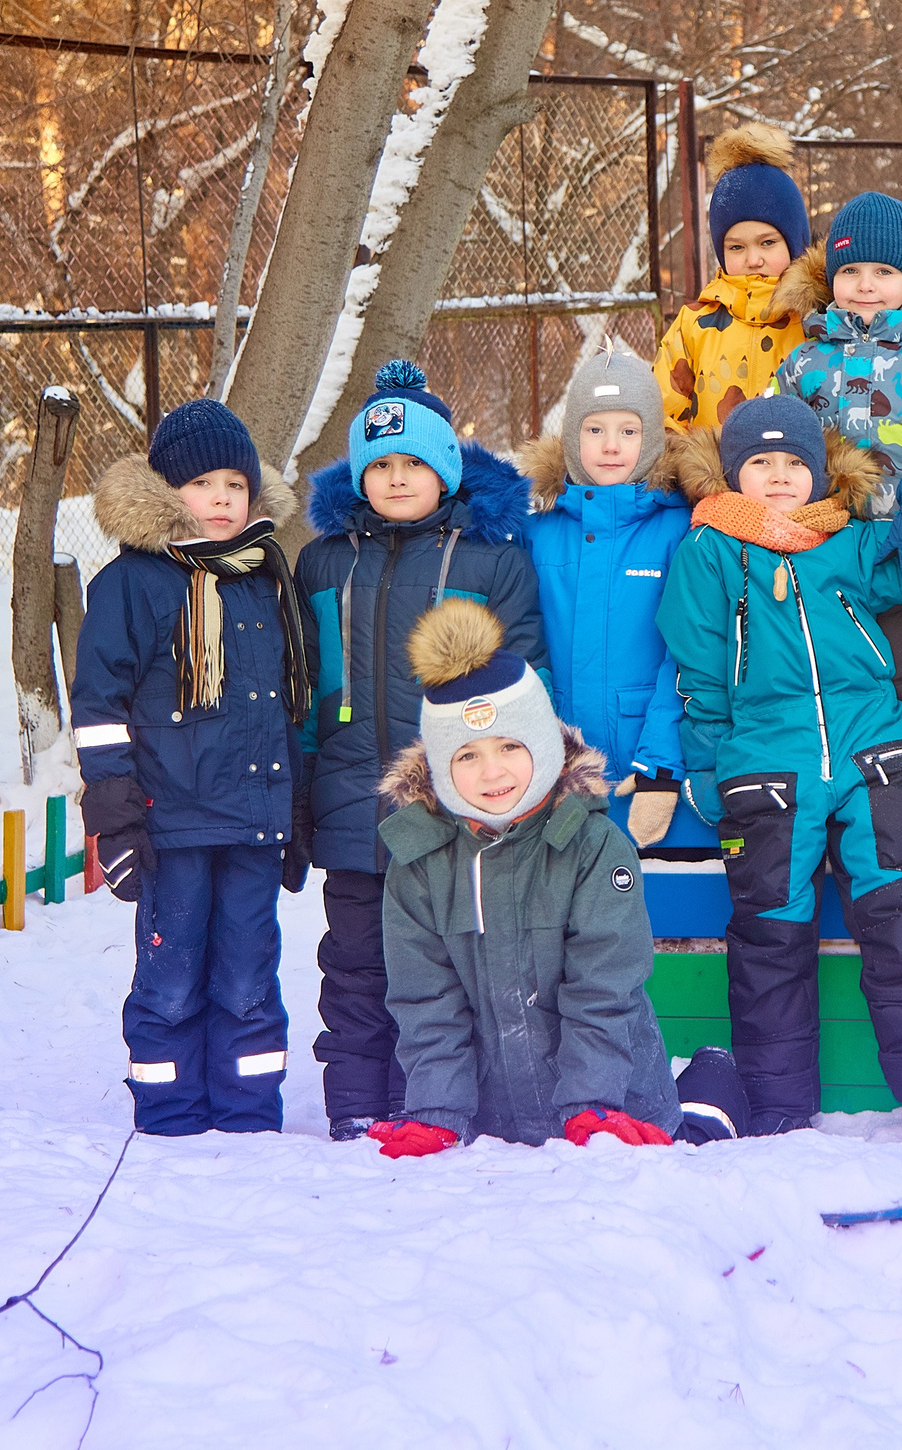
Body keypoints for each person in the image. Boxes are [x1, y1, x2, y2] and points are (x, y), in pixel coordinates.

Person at [655, 388, 902, 1153]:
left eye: (792, 462)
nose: (777, 476)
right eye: (758, 463)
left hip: (876, 757)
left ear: (818, 471)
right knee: (768, 937)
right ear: (734, 472)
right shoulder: (706, 552)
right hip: (768, 767)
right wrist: (706, 765)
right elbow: (697, 670)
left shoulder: (853, 542)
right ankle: (777, 1102)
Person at [363, 601, 749, 1157]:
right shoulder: (420, 861)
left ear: (542, 746)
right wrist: (437, 1113)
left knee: (698, 1136)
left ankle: (711, 1083)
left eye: (510, 748)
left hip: (618, 1110)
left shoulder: (591, 846)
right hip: (500, 1129)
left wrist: (594, 1106)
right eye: (466, 755)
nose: (491, 772)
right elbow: (426, 1002)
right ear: (439, 766)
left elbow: (603, 990)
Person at [293, 360, 543, 1141]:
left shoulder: (490, 558)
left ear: (444, 469)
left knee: (447, 958)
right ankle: (357, 1100)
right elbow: (301, 685)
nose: (398, 479)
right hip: (350, 798)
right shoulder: (325, 562)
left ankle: (440, 1101)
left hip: (452, 801)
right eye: (381, 466)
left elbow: (522, 682)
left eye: (414, 464)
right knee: (357, 961)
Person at [74, 400, 312, 1136]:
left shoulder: (266, 575)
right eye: (202, 484)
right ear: (167, 494)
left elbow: (285, 709)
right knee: (171, 978)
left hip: (249, 823)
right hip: (168, 825)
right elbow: (99, 706)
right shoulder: (131, 584)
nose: (219, 499)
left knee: (247, 977)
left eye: (233, 485)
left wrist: (291, 811)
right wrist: (114, 817)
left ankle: (246, 1113)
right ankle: (170, 1110)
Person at [772, 190, 902, 773]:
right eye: (851, 271)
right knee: (846, 683)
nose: (866, 285)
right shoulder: (804, 361)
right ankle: (869, 804)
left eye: (883, 271)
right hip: (833, 548)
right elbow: (782, 438)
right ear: (830, 277)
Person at [518, 343, 694, 850]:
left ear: (653, 437)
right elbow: (524, 637)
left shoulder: (679, 527)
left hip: (649, 766)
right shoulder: (539, 530)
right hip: (556, 773)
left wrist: (661, 757)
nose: (611, 446)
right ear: (573, 436)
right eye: (595, 430)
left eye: (629, 431)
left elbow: (687, 653)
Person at [654, 122, 814, 431]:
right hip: (710, 477)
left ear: (796, 242)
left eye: (768, 243)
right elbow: (662, 415)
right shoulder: (694, 326)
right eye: (736, 247)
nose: (753, 259)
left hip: (792, 476)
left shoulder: (816, 322)